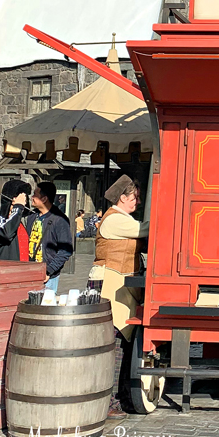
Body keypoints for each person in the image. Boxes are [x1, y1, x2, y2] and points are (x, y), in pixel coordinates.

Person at [89, 175, 149, 419]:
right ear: (123, 197)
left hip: (119, 283)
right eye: (134, 196)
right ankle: (107, 400)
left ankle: (119, 395)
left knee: (121, 343)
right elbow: (144, 229)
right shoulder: (114, 220)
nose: (136, 201)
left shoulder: (120, 218)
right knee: (111, 345)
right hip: (108, 283)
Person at [26, 182, 73, 292]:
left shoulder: (60, 220)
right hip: (29, 270)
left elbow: (65, 250)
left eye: (35, 194)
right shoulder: (32, 216)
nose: (31, 197)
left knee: (45, 307)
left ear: (44, 199)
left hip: (48, 277)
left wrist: (48, 271)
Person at [0, 179, 32, 261]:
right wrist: (18, 207)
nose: (23, 201)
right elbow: (6, 234)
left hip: (23, 270)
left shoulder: (23, 222)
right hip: (3, 271)